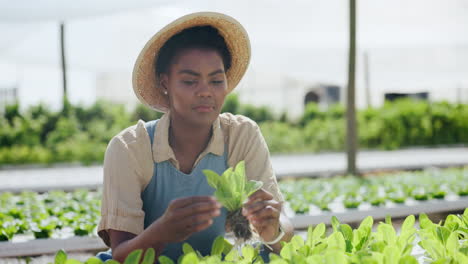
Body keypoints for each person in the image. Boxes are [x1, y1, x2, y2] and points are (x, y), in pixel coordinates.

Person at [96, 12, 293, 263]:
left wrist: (272, 229)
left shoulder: (241, 135)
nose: (205, 92)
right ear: (165, 83)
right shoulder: (130, 148)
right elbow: (121, 255)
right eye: (190, 81)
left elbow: (282, 225)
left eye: (216, 80)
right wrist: (161, 232)